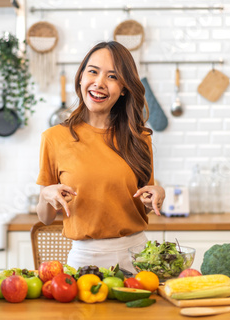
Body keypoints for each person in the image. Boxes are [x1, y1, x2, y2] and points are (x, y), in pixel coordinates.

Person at [36, 41, 165, 273]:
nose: (99, 83)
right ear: (80, 78)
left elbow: (143, 205)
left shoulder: (139, 138)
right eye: (93, 71)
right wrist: (46, 194)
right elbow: (45, 219)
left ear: (124, 88)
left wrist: (156, 196)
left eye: (113, 76)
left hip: (137, 257)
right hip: (84, 259)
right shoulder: (54, 138)